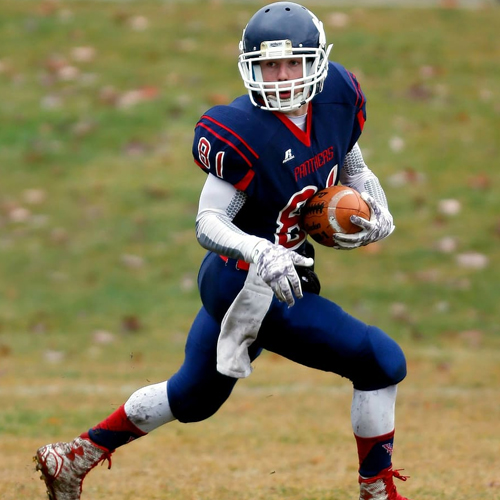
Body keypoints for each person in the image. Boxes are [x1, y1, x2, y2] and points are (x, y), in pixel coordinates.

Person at [34, 3, 411, 500]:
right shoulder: (241, 129)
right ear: (249, 66)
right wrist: (262, 252)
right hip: (245, 280)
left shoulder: (338, 95)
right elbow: (208, 222)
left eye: (292, 63)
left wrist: (375, 202)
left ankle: (74, 456)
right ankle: (377, 492)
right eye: (269, 65)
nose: (280, 76)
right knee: (381, 362)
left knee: (193, 396)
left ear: (316, 62)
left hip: (276, 273)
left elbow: (351, 161)